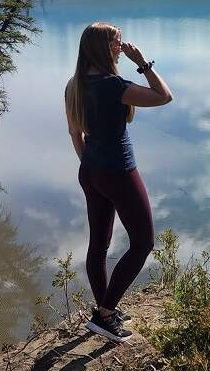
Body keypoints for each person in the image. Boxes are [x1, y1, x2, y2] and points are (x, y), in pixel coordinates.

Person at [63, 22, 173, 342]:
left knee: (99, 245)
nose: (121, 48)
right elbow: (164, 96)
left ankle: (104, 310)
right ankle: (106, 313)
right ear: (101, 48)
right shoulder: (114, 86)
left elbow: (75, 134)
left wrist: (90, 164)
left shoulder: (75, 85)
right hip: (118, 171)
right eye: (116, 43)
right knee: (143, 242)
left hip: (91, 171)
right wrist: (143, 63)